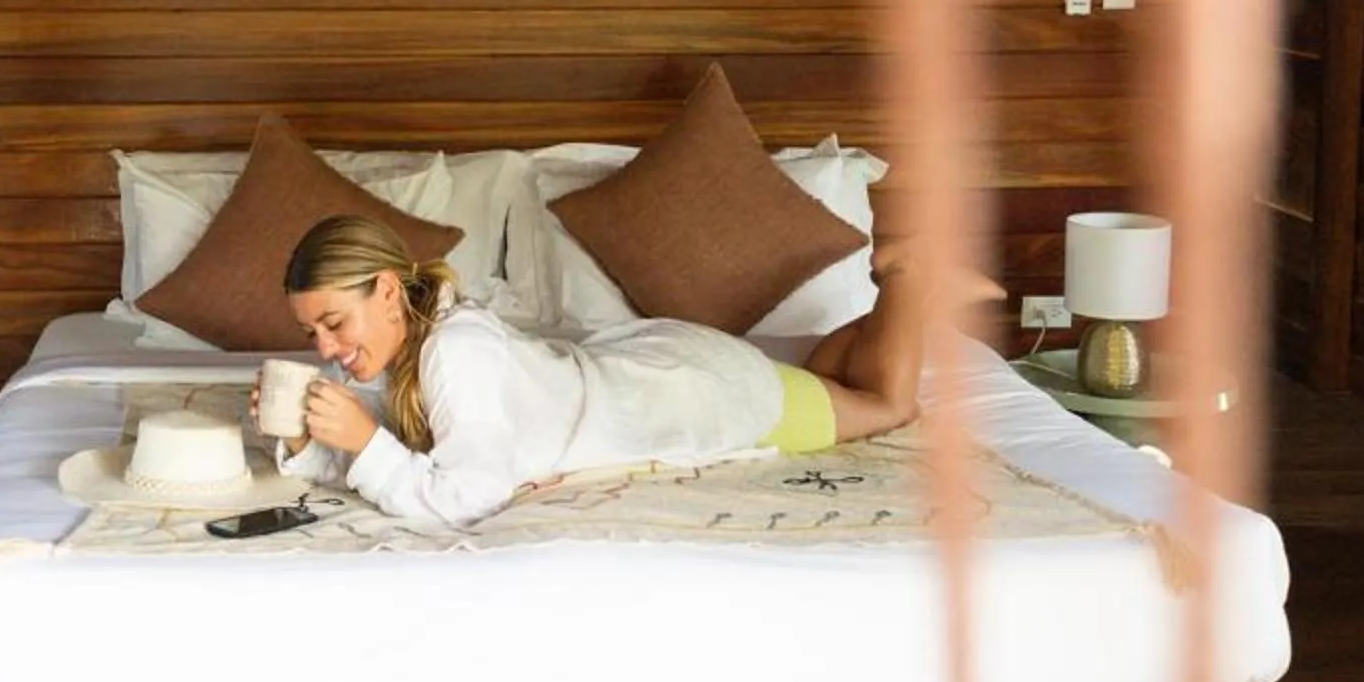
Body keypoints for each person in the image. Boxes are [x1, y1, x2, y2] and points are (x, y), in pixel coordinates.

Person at [257, 212, 933, 529]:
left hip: (687, 396)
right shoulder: (406, 341)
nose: (322, 348)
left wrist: (365, 445)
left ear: (383, 290)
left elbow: (469, 495)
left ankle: (904, 280)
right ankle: (889, 306)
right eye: (310, 332)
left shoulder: (455, 353)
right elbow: (389, 444)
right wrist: (304, 441)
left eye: (333, 324)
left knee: (885, 405)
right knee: (825, 383)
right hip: (647, 370)